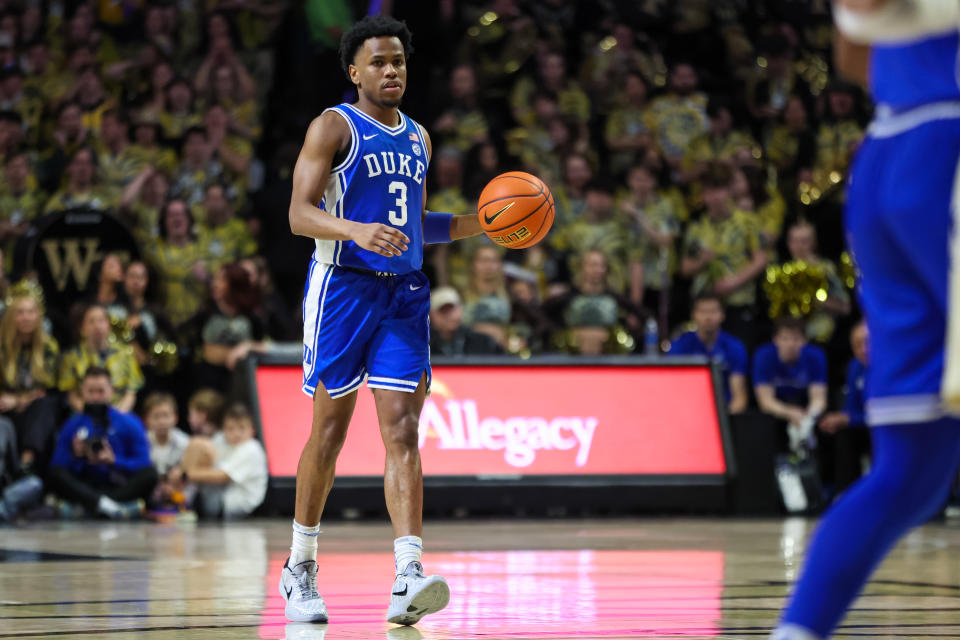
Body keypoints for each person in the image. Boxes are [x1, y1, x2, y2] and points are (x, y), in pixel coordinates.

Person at [282, 15, 485, 625]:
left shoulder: (419, 138)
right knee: (331, 433)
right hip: (342, 290)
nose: (391, 70)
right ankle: (300, 567)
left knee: (403, 431)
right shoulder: (333, 126)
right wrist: (354, 229)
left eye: (398, 60)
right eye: (378, 62)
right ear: (355, 71)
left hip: (405, 297)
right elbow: (297, 213)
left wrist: (485, 224)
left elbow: (417, 224)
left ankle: (408, 573)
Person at [772, 4, 960, 638]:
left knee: (914, 470)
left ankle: (796, 632)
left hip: (884, 157)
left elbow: (852, 52)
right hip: (948, 148)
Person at [48, 367, 157, 519]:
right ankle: (112, 508)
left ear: (111, 390)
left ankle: (92, 506)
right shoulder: (72, 425)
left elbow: (144, 462)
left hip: (117, 485)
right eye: (90, 391)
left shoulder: (129, 422)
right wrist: (75, 455)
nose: (96, 397)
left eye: (101, 391)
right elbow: (58, 465)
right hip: (85, 484)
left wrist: (115, 461)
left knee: (150, 474)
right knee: (55, 474)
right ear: (82, 392)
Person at [177, 403, 267, 519]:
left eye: (242, 428)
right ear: (223, 430)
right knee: (198, 445)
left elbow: (222, 476)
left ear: (252, 431)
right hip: (218, 497)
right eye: (230, 428)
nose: (236, 433)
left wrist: (185, 475)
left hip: (231, 505)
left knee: (198, 450)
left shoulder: (251, 448)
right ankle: (179, 498)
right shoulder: (221, 440)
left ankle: (182, 502)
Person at [754, 317, 828, 453]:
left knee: (822, 426)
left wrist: (808, 418)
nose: (790, 344)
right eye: (785, 338)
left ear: (804, 340)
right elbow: (765, 402)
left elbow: (819, 399)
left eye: (795, 339)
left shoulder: (816, 356)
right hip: (777, 409)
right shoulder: (764, 356)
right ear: (775, 339)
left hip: (804, 406)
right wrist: (789, 413)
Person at [667, 294, 748, 415]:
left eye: (713, 311)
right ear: (693, 315)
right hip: (687, 409)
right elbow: (672, 390)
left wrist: (722, 419)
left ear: (722, 315)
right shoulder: (679, 346)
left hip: (725, 411)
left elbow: (739, 397)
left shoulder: (735, 347)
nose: (708, 317)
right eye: (703, 311)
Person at [58, 303, 144, 414]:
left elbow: (131, 393)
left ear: (109, 325)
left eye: (101, 320)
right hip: (84, 412)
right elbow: (72, 395)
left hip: (119, 412)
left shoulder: (125, 354)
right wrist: (89, 413)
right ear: (82, 328)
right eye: (91, 321)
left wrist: (117, 414)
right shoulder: (71, 357)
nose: (97, 326)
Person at [818, 321, 871, 493]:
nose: (863, 349)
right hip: (863, 425)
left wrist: (847, 419)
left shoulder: (889, 367)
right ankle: (845, 493)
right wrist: (839, 419)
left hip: (887, 426)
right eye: (857, 345)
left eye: (867, 343)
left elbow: (891, 411)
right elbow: (851, 407)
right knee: (840, 433)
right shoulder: (855, 367)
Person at [429, 286, 502, 356]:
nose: (449, 316)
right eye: (443, 310)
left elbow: (505, 364)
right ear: (432, 315)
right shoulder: (423, 348)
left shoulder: (483, 342)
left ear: (461, 310)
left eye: (452, 309)